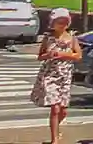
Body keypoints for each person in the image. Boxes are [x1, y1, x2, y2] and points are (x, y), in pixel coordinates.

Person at [31, 8, 82, 143]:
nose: (62, 25)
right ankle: (55, 140)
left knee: (63, 111)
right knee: (55, 108)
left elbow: (78, 55)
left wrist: (64, 54)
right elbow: (40, 56)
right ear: (52, 23)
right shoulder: (48, 38)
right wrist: (48, 55)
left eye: (65, 22)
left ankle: (56, 129)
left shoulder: (71, 37)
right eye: (59, 22)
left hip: (65, 76)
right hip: (50, 74)